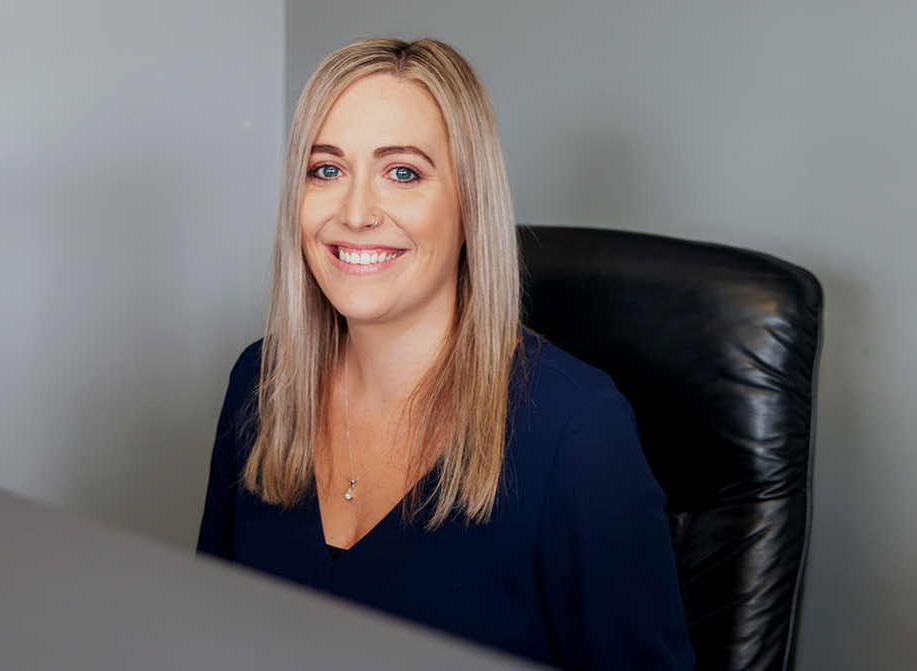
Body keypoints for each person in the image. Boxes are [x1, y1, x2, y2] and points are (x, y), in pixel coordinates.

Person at [197, 37, 695, 669]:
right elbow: (207, 633)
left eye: (402, 172)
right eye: (326, 170)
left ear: (469, 204)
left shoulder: (577, 436)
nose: (355, 213)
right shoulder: (260, 385)